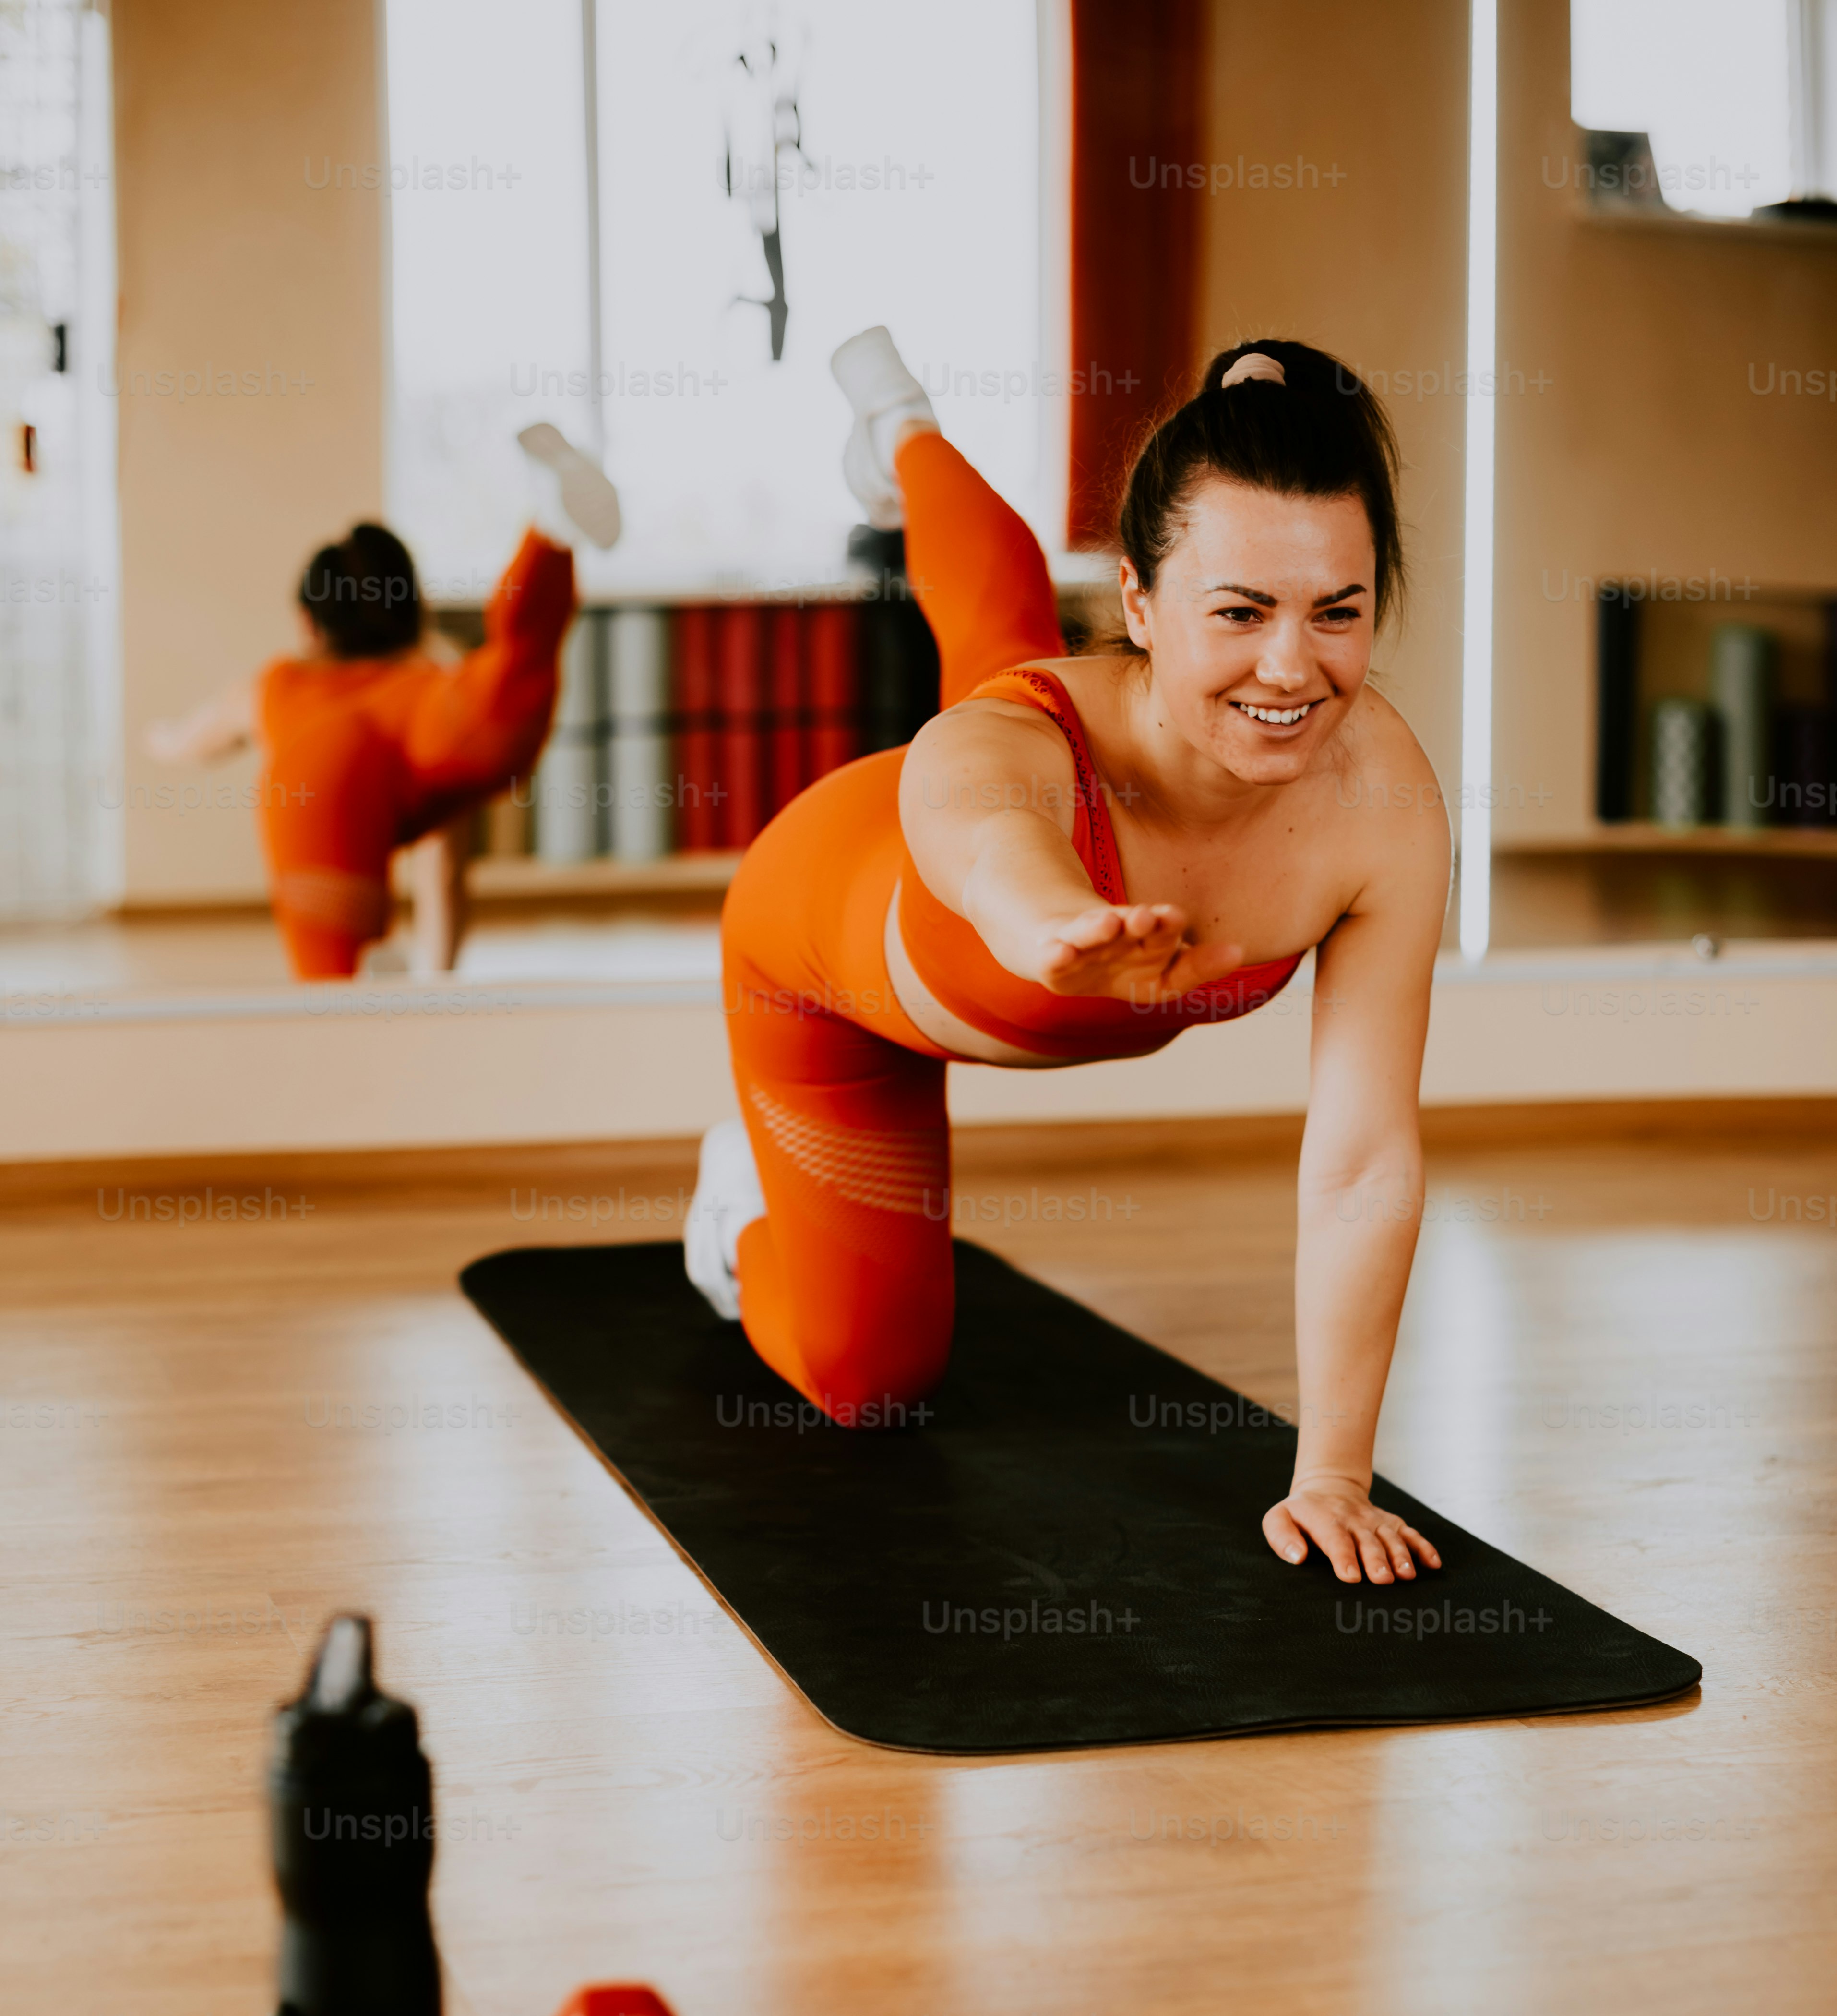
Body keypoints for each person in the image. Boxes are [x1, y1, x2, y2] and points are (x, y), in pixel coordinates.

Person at [686, 328, 1449, 1590]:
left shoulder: (1379, 798)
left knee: (997, 614)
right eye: (1241, 610)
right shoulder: (1000, 755)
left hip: (1091, 749)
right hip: (815, 958)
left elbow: (1363, 1152)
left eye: (1338, 611)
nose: (1290, 666)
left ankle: (902, 432)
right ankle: (732, 1213)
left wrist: (1334, 1473)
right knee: (868, 1382)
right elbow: (988, 848)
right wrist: (1054, 927)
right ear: (1140, 603)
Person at [143, 426, 620, 981]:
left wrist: (162, 740)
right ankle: (549, 535)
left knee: (335, 982)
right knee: (517, 664)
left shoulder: (282, 686)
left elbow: (199, 737)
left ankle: (357, 979)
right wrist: (439, 983)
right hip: (434, 724)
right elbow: (442, 871)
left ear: (309, 625)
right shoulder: (433, 677)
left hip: (318, 777)